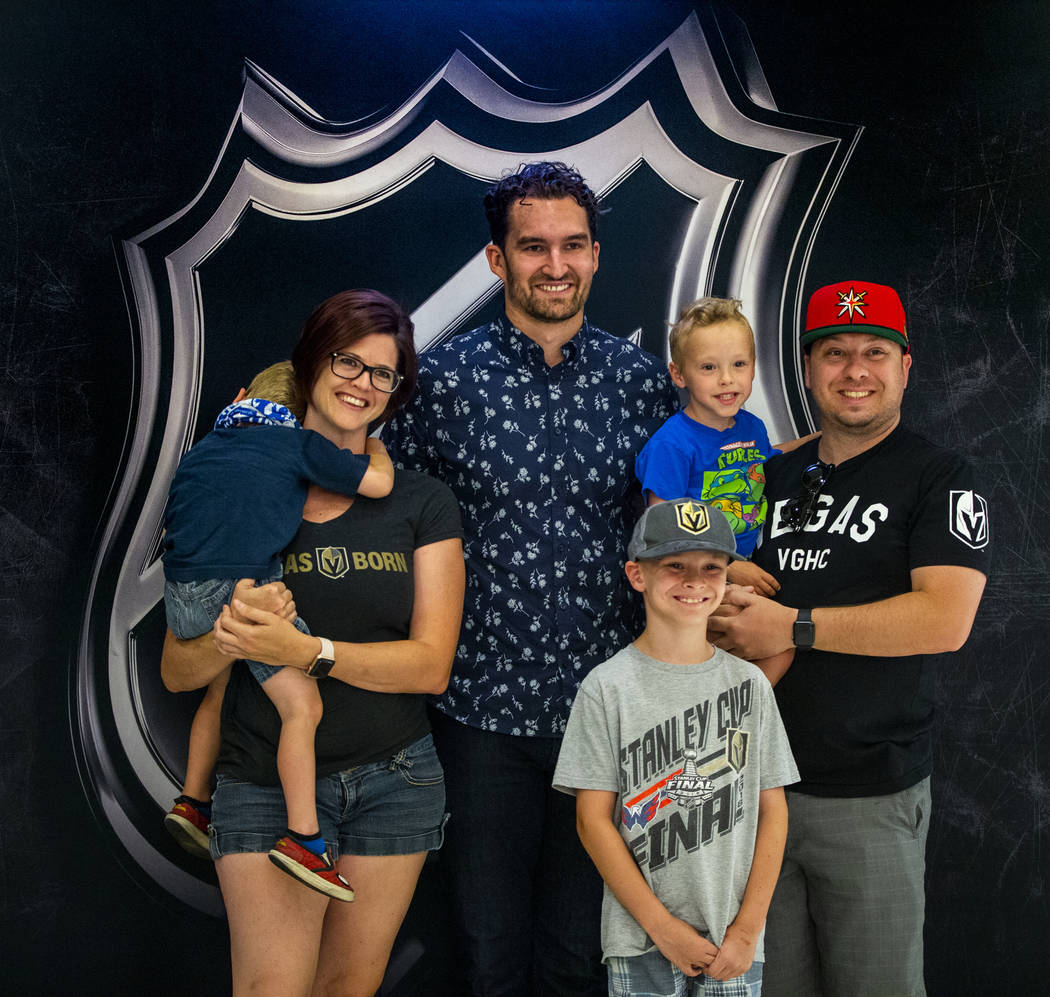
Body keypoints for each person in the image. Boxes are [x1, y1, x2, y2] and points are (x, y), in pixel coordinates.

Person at [385, 162, 678, 995]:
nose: (555, 263)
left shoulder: (642, 384)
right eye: (534, 246)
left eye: (574, 245)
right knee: (485, 949)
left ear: (596, 257)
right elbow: (383, 518)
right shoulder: (440, 383)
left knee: (583, 950)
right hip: (480, 713)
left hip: (611, 715)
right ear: (496, 258)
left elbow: (685, 521)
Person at [161, 289, 465, 996]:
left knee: (346, 989)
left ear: (396, 393)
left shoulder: (420, 501)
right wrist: (233, 635)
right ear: (311, 365)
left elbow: (431, 664)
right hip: (265, 784)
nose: (362, 382)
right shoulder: (242, 484)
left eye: (382, 373)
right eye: (347, 361)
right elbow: (179, 670)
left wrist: (311, 653)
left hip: (397, 780)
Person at [708, 280, 990, 996]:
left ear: (905, 367)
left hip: (867, 794)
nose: (854, 369)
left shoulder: (941, 477)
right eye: (834, 352)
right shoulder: (770, 475)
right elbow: (706, 593)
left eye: (874, 351)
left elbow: (944, 619)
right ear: (808, 368)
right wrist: (723, 587)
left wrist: (793, 627)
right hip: (757, 789)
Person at [161, 361, 394, 904]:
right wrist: (376, 449)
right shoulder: (297, 446)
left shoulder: (206, 446)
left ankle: (192, 801)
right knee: (302, 707)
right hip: (244, 588)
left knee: (223, 686)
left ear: (241, 394)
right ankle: (305, 838)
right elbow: (378, 483)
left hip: (181, 594)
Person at [553, 498, 799, 997]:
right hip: (641, 937)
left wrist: (749, 929)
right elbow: (591, 820)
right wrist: (663, 929)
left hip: (733, 937)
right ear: (637, 574)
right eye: (674, 566)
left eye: (711, 567)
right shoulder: (607, 688)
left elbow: (773, 810)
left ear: (728, 578)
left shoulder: (750, 685)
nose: (694, 581)